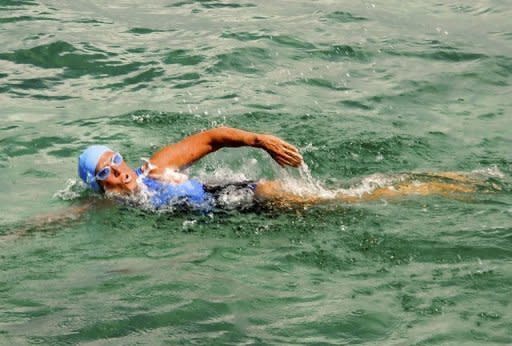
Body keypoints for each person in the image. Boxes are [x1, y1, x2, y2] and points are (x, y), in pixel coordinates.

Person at [77, 126, 478, 212]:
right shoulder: (109, 206)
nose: (117, 171)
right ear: (98, 186)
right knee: (338, 200)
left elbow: (213, 138)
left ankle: (439, 187)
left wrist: (259, 141)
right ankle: (436, 185)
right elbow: (66, 217)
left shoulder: (156, 168)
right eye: (104, 172)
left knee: (341, 200)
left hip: (242, 194)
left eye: (115, 159)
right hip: (232, 213)